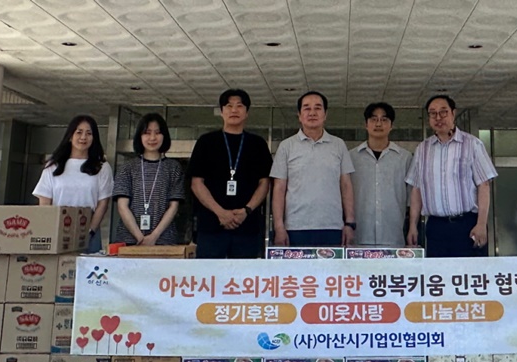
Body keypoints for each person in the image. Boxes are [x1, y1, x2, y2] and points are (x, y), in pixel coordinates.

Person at [405, 95, 498, 257]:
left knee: (470, 272)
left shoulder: (472, 144)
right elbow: (416, 190)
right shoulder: (422, 149)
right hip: (436, 227)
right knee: (438, 272)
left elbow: (484, 185)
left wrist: (481, 223)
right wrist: (413, 226)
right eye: (433, 113)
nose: (438, 117)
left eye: (443, 112)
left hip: (467, 225)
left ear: (453, 114)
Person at [188, 89, 273, 258]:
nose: (234, 110)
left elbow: (265, 183)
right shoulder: (206, 142)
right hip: (211, 226)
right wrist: (221, 212)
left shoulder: (257, 144)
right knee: (209, 273)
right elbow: (196, 183)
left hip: (247, 227)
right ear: (221, 111)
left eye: (239, 106)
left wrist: (246, 211)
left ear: (247, 112)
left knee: (244, 273)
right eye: (229, 106)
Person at [271, 91, 355, 247]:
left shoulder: (338, 145)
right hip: (295, 227)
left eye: (317, 108)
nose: (312, 113)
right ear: (299, 115)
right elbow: (279, 189)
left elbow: (346, 185)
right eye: (307, 108)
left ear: (325, 114)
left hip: (332, 226)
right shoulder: (286, 146)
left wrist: (349, 223)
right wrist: (279, 226)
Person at [33, 114, 113, 253]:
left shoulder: (102, 167)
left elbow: (103, 203)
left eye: (89, 133)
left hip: (88, 231)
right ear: (70, 136)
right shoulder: (53, 166)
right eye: (79, 132)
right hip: (57, 230)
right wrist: (50, 229)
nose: (83, 137)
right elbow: (44, 202)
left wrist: (90, 231)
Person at [112, 113, 185, 246]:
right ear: (139, 136)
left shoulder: (173, 168)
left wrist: (154, 236)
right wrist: (140, 237)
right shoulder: (127, 168)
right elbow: (122, 206)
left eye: (157, 132)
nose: (152, 138)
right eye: (147, 133)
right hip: (129, 240)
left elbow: (174, 206)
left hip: (164, 241)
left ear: (164, 136)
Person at [350, 102, 412, 247]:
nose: (378, 124)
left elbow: (411, 199)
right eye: (373, 119)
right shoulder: (351, 157)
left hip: (393, 237)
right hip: (359, 237)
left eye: (384, 119)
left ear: (391, 125)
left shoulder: (405, 158)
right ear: (366, 124)